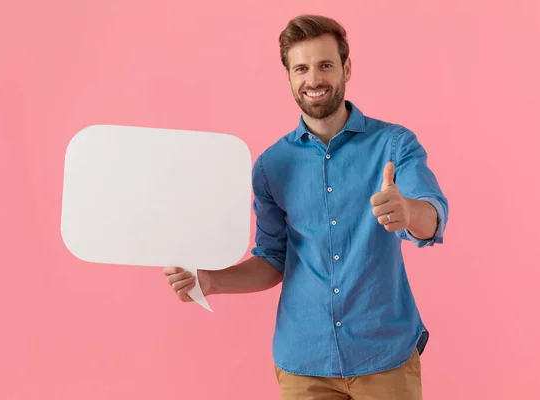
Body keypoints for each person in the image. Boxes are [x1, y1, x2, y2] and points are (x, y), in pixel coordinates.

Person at [163, 14, 449, 400]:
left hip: (385, 357)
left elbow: (432, 214)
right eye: (301, 68)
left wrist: (408, 212)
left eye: (325, 65)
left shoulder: (394, 145)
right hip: (304, 363)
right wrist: (211, 282)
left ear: (346, 68)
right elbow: (273, 259)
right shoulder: (270, 167)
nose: (313, 79)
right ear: (289, 77)